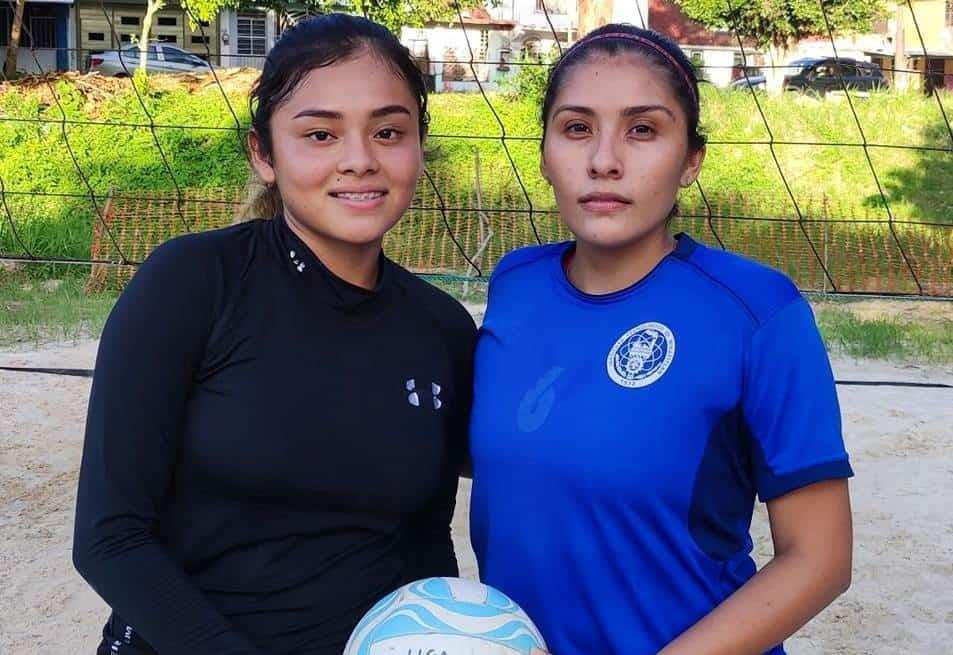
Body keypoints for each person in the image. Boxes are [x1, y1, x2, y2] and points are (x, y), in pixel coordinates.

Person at [72, 14, 475, 654]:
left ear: (418, 147)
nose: (360, 160)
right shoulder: (194, 282)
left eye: (389, 132)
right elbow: (110, 536)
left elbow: (423, 545)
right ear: (264, 154)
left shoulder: (440, 327)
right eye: (320, 134)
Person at [468, 24, 853, 655]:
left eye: (643, 129)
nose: (604, 160)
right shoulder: (516, 283)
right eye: (576, 128)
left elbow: (820, 560)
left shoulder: (758, 311)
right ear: (543, 154)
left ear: (691, 159)